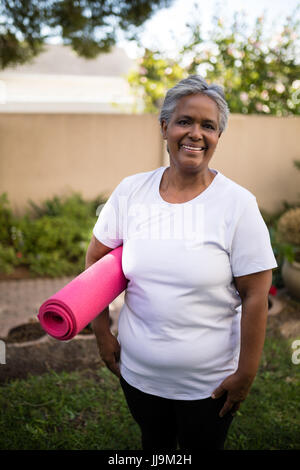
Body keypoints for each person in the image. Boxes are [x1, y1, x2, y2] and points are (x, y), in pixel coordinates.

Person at [85, 75, 278, 451]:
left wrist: (246, 373)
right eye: (185, 121)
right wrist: (102, 333)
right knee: (154, 447)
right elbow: (96, 261)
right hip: (139, 376)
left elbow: (256, 295)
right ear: (165, 128)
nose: (196, 133)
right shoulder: (131, 192)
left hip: (208, 386)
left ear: (218, 136)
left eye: (209, 125)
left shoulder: (238, 205)